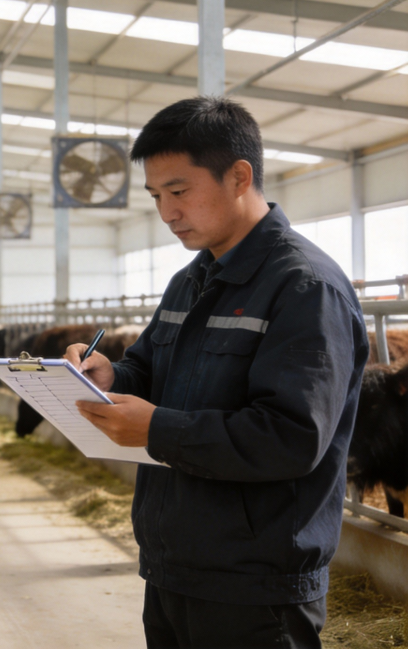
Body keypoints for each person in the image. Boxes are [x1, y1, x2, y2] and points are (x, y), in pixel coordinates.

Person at [65, 97, 368, 649]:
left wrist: (157, 430)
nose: (167, 212)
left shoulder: (304, 288)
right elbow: (149, 369)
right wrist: (111, 377)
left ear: (239, 176)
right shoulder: (191, 279)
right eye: (156, 196)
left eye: (179, 191)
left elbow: (292, 437)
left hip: (256, 584)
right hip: (173, 564)